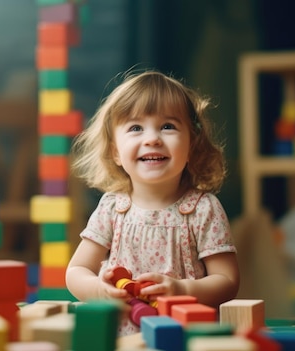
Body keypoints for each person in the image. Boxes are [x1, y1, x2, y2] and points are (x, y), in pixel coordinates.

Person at [65, 70, 239, 335]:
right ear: (115, 152)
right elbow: (76, 271)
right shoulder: (112, 209)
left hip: (184, 336)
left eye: (168, 126)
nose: (152, 139)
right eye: (135, 128)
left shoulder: (203, 209)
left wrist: (183, 290)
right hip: (123, 338)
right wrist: (100, 290)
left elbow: (227, 280)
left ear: (191, 145)